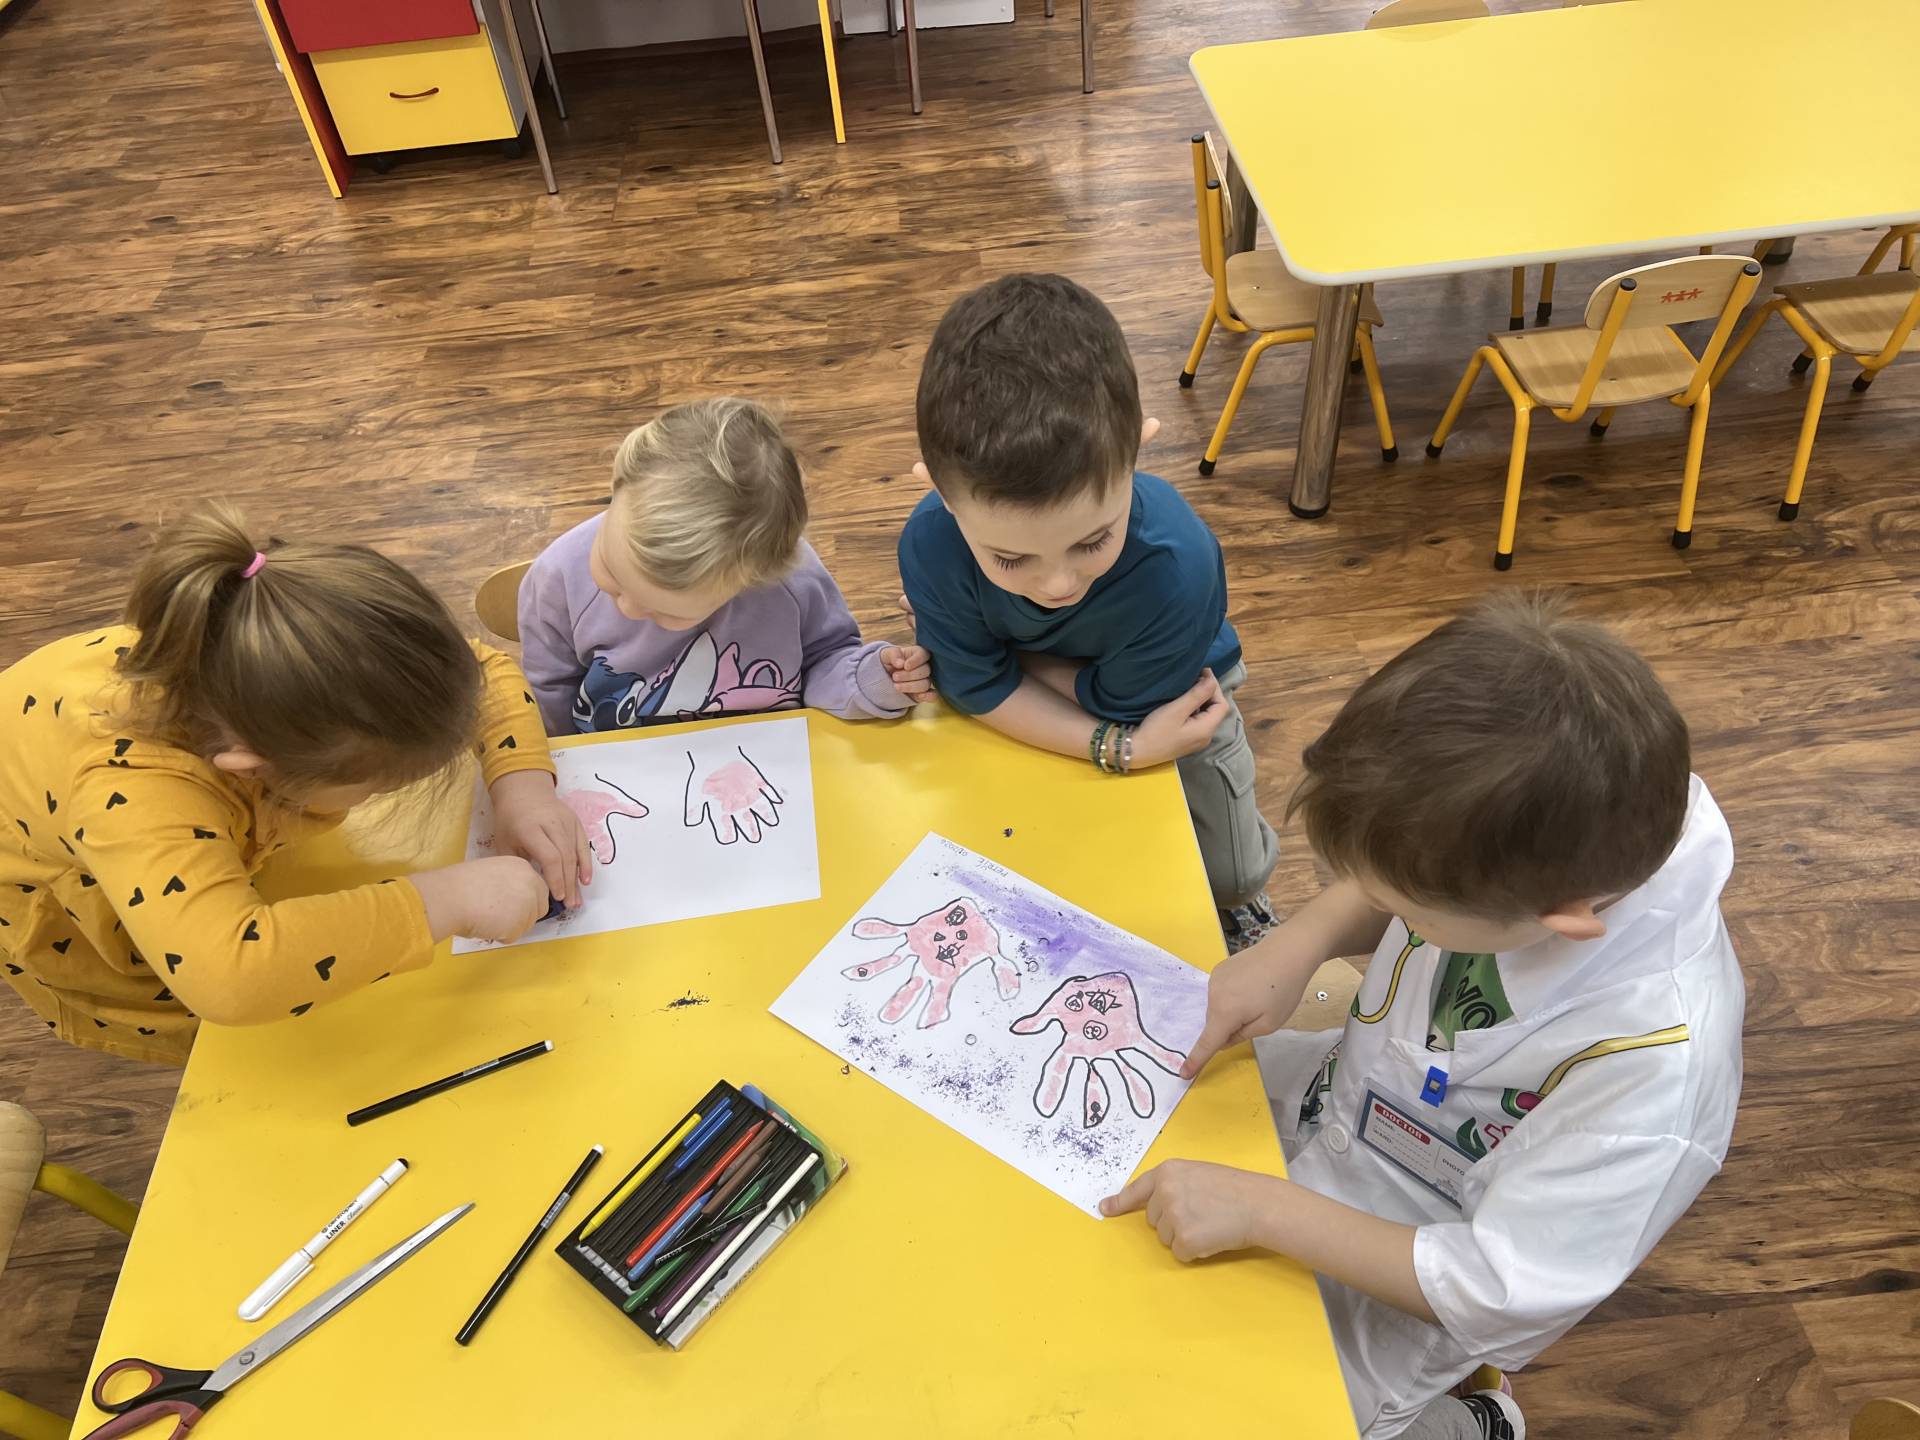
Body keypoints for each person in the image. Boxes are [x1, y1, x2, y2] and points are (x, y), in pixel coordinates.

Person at [1102, 595, 1744, 1440]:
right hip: (1333, 1109)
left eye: (1410, 913)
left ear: (1562, 920)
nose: (1390, 913)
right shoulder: (1556, 830)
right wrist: (1301, 942)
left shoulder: (1654, 1078)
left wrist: (1264, 1212)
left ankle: (1474, 1422)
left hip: (1402, 1281)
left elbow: (1495, 1287)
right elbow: (1401, 883)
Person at [0, 507, 588, 1064]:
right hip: (82, 896)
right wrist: (446, 900)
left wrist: (523, 786)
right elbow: (229, 976)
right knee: (249, 1055)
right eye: (374, 789)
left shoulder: (280, 652)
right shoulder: (135, 795)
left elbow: (486, 672)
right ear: (253, 767)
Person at [898, 273, 1279, 947]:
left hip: (1175, 697)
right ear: (940, 494)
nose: (1057, 584)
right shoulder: (930, 542)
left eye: (1092, 542)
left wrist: (1011, 664)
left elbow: (1125, 709)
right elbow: (976, 688)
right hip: (1081, 700)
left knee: (1234, 876)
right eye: (1009, 558)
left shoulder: (1179, 565)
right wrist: (1120, 751)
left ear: (1138, 450)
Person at [518, 397, 931, 737]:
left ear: (752, 581)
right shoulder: (557, 578)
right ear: (616, 484)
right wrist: (558, 764)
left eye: (665, 611)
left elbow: (824, 660)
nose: (626, 607)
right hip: (616, 763)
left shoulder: (792, 586)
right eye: (610, 573)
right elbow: (549, 688)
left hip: (767, 760)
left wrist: (871, 679)